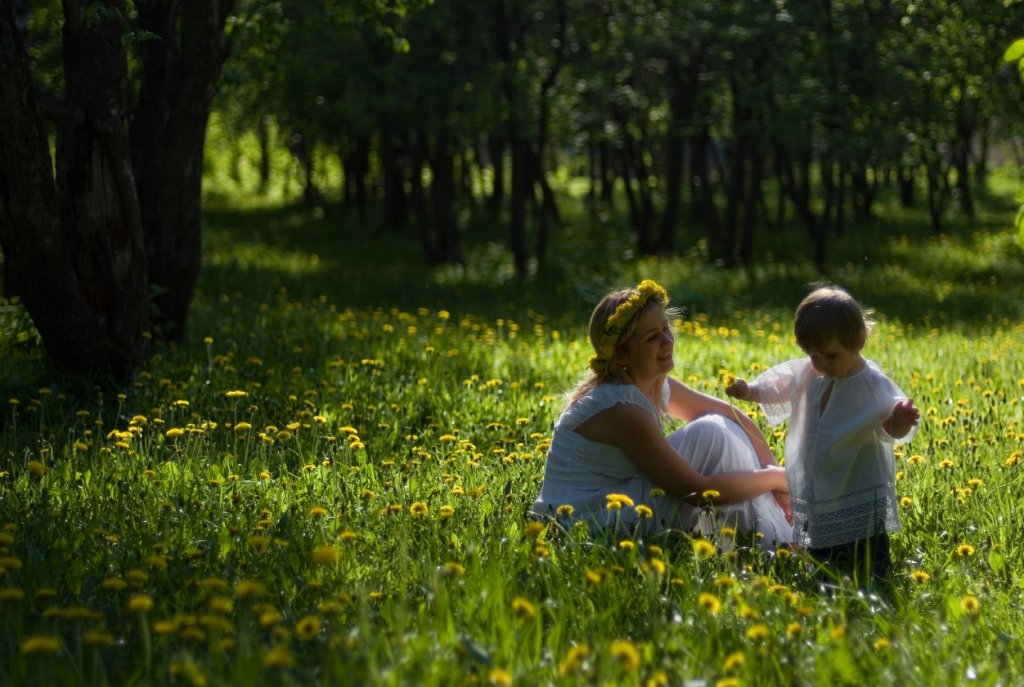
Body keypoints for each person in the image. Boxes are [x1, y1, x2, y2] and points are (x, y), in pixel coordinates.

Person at [532, 279, 793, 550]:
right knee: (712, 435)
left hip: (611, 506)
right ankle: (777, 541)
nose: (667, 340)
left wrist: (772, 473)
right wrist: (776, 479)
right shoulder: (619, 406)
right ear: (622, 356)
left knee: (721, 425)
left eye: (666, 329)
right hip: (582, 526)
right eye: (651, 337)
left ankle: (777, 533)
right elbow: (696, 491)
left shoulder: (649, 383)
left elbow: (731, 413)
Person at [726, 284, 920, 590]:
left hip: (856, 482)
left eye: (830, 355)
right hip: (820, 481)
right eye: (813, 355)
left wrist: (899, 421)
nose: (822, 363)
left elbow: (890, 425)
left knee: (865, 553)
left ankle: (873, 584)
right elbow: (779, 386)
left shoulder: (869, 383)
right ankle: (823, 580)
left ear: (857, 341)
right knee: (821, 549)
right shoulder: (810, 372)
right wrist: (748, 390)